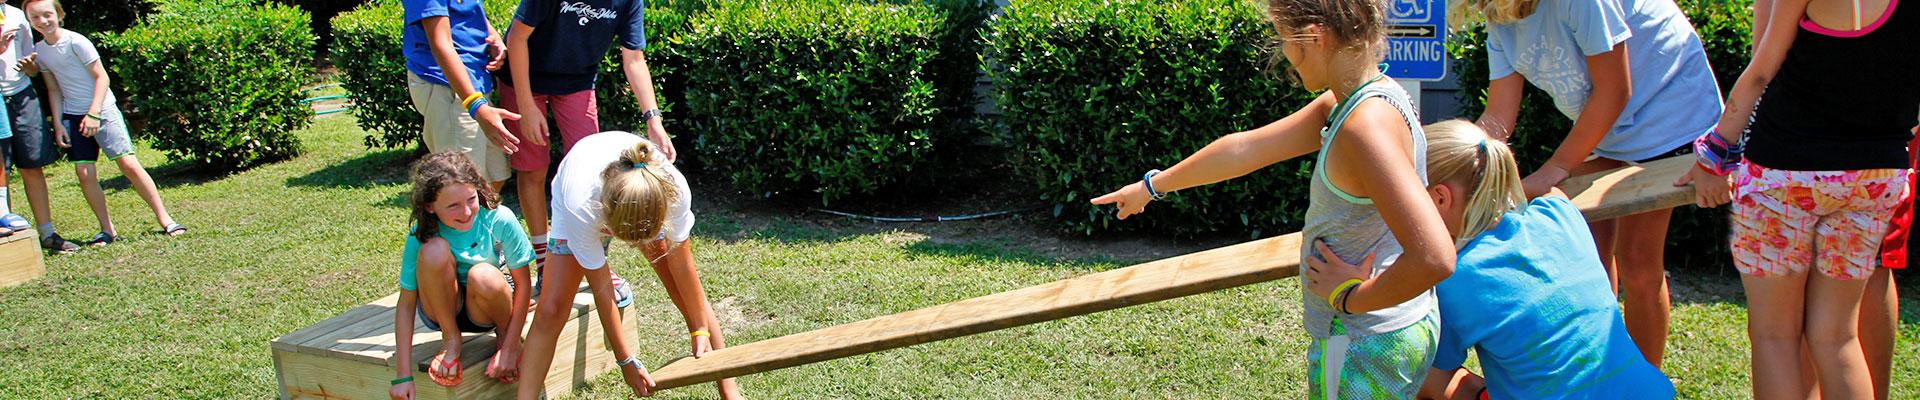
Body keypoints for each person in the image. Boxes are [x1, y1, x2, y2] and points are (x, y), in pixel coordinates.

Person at [1091, 0, 1456, 397]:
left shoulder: (1363, 127)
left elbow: (1434, 257)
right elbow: (1244, 150)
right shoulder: (1360, 100)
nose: (1283, 54)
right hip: (1388, 329)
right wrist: (1150, 187)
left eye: (1284, 38)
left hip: (1362, 340)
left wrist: (1351, 298)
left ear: (1315, 37)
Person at [1317, 120, 1672, 399]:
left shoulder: (1454, 279)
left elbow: (1418, 366)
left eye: (1405, 200)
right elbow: (1548, 193)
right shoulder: (1558, 211)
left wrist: (1354, 292)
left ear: (1440, 199)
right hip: (1651, 393)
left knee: (1423, 373)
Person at [1454, 0, 1724, 366]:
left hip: (1670, 115)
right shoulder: (1500, 18)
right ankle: (1603, 368)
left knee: (1638, 262)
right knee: (1583, 251)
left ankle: (1645, 385)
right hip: (1614, 128)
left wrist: (1555, 169)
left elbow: (1615, 90)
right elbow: (1499, 117)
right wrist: (1456, 160)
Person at [1675, 0, 1917, 396]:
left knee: (1775, 337)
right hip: (1876, 176)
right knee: (1837, 336)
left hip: (1782, 172)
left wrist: (1715, 152)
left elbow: (1761, 71)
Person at [516, 132, 740, 399]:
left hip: (642, 197)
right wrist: (626, 360)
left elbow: (684, 269)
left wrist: (699, 327)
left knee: (683, 290)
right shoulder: (583, 206)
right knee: (551, 310)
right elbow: (602, 288)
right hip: (581, 185)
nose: (638, 246)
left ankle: (730, 391)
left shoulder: (674, 192)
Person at [23, 0, 184, 248]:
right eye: (35, 17)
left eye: (47, 15)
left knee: (128, 164)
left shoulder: (77, 42)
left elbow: (102, 77)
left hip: (102, 110)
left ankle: (167, 220)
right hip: (74, 116)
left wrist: (95, 113)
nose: (43, 21)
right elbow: (53, 88)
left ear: (59, 14)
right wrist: (58, 123)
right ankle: (107, 230)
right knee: (84, 173)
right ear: (29, 21)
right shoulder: (40, 51)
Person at [389, 151, 534, 399]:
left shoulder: (500, 219)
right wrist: (403, 375)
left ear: (478, 189)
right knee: (434, 250)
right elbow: (406, 303)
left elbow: (523, 284)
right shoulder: (421, 231)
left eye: (470, 199)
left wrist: (510, 346)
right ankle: (451, 339)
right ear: (430, 206)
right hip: (443, 309)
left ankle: (503, 335)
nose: (466, 212)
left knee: (483, 275)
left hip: (484, 308)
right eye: (453, 205)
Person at [402, 0, 521, 189]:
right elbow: (440, 42)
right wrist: (475, 105)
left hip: (474, 81)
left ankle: (481, 220)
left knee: (493, 176)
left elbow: (464, 10)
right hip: (449, 87)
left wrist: (492, 35)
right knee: (462, 185)